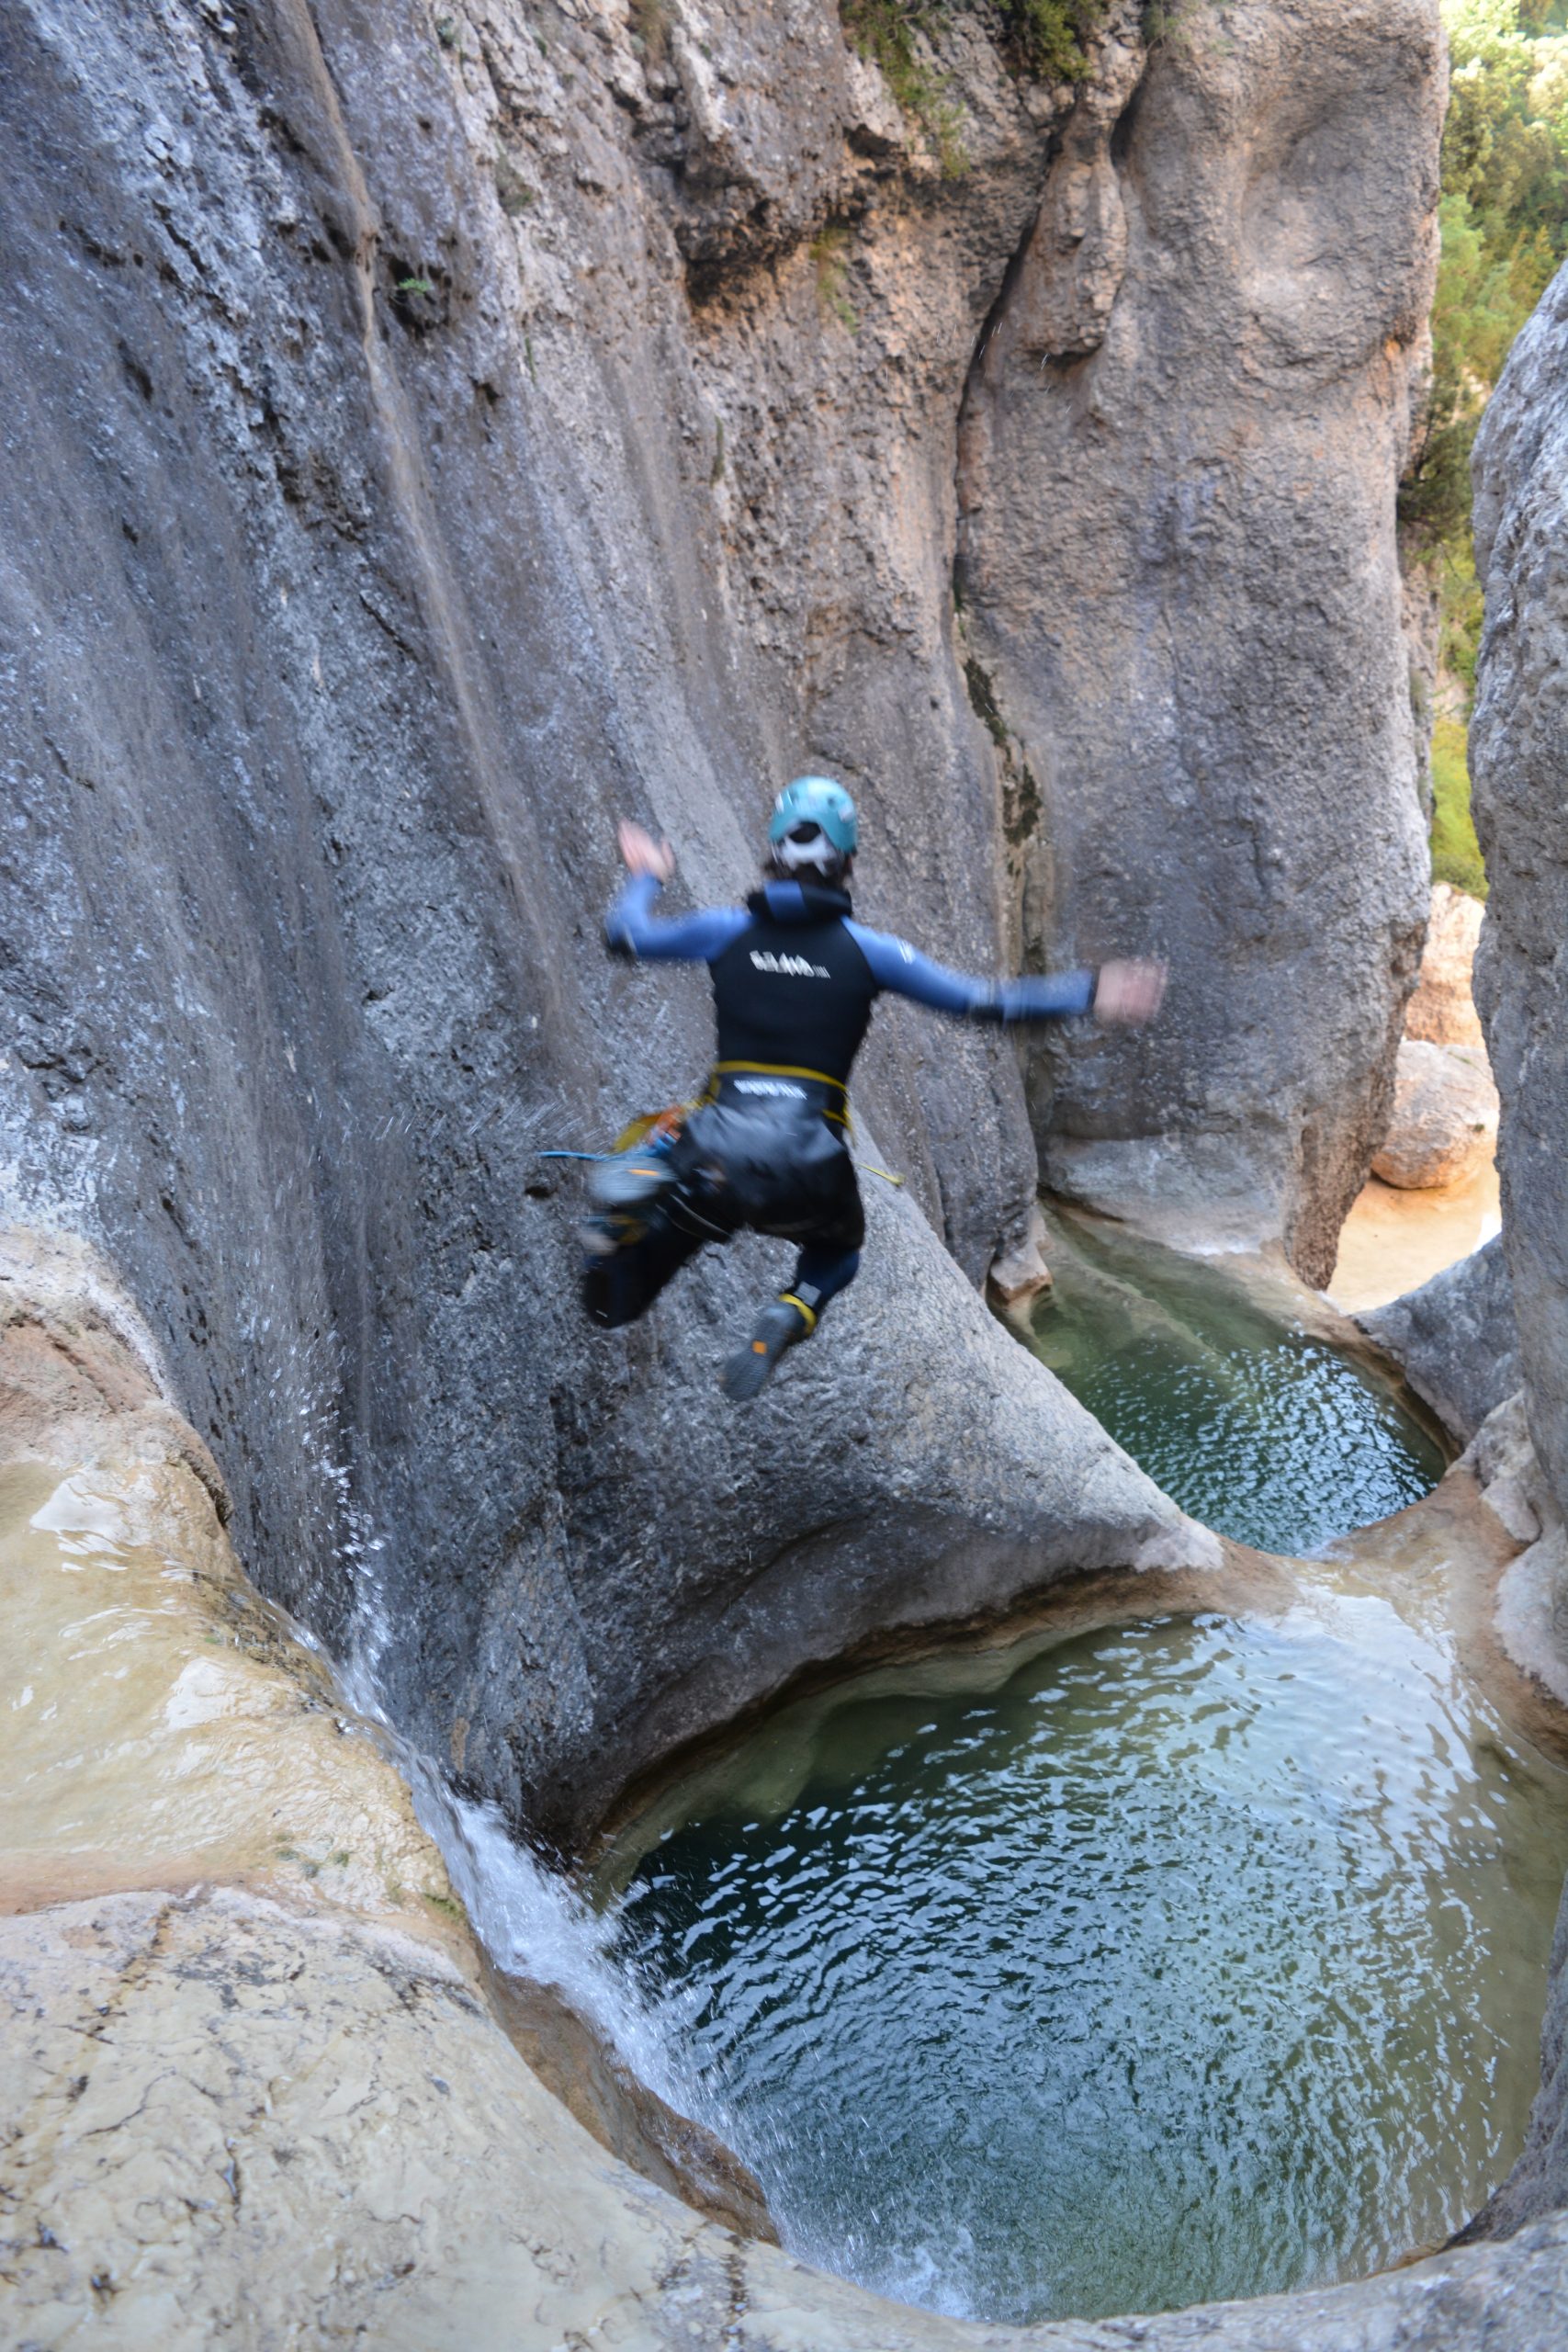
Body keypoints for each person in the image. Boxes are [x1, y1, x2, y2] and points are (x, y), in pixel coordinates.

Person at [583, 776, 1165, 1399]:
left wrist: (647, 874)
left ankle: (628, 1214)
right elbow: (981, 1002)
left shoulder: (727, 931)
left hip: (717, 1148)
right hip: (809, 1161)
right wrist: (1089, 991)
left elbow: (625, 936)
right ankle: (794, 1306)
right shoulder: (869, 952)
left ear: (774, 851)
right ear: (848, 863)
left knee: (615, 1296)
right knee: (835, 1255)